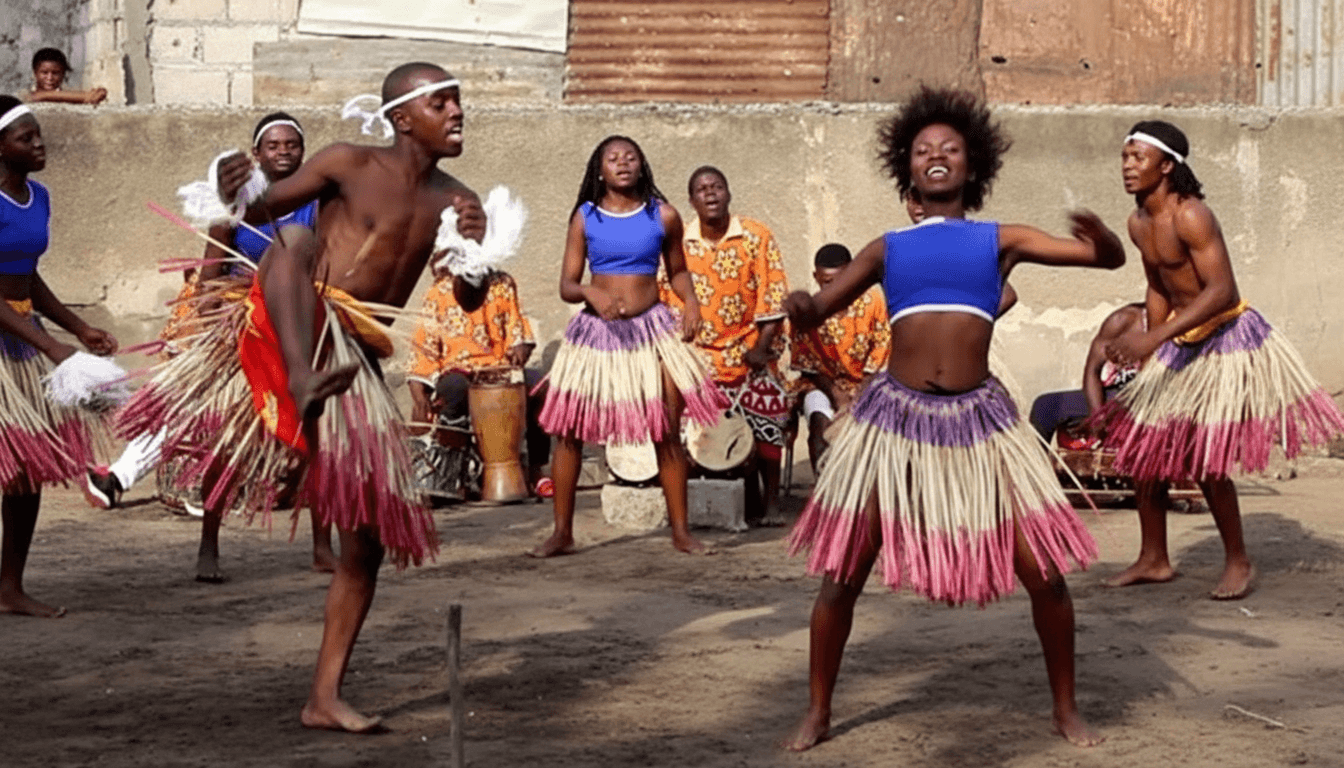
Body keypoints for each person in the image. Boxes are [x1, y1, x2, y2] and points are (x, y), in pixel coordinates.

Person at [117, 63, 483, 732]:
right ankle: (297, 390)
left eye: (459, 101)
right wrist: (239, 187)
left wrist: (476, 254)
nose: (459, 111)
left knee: (365, 545)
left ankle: (324, 695)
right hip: (291, 328)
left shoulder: (454, 199)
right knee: (293, 237)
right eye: (443, 101)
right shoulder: (347, 161)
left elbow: (465, 298)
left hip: (356, 368)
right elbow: (258, 213)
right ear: (404, 116)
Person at [781, 86, 1126, 751]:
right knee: (842, 576)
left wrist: (1103, 238)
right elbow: (818, 312)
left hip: (981, 424)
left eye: (950, 148)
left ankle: (1065, 707)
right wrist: (799, 307)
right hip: (893, 424)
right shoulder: (887, 248)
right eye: (923, 150)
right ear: (906, 170)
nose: (936, 156)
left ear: (974, 166)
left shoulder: (1002, 239)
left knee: (1045, 574)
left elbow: (1103, 260)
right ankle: (818, 711)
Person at [1093, 121, 1344, 599]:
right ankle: (1153, 558)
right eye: (1124, 156)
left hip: (1225, 335)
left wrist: (1155, 339)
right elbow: (1157, 285)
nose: (1127, 166)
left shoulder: (1192, 216)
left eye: (1138, 157)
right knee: (1146, 447)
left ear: (1166, 166)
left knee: (1204, 457)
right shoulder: (1138, 221)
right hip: (1177, 338)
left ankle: (1238, 561)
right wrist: (1152, 345)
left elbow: (1223, 290)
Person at [87, 111, 335, 577]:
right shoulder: (232, 207)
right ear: (257, 153)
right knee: (229, 440)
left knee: (318, 437)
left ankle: (323, 547)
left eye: (292, 145)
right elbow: (209, 277)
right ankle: (209, 545)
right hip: (243, 323)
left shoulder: (320, 203)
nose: (284, 153)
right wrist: (209, 328)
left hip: (301, 321)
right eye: (273, 146)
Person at [532, 135, 727, 557]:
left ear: (642, 165)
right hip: (595, 336)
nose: (622, 164)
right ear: (599, 169)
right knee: (568, 432)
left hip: (651, 331)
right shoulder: (585, 217)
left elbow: (678, 271)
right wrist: (590, 293)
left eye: (630, 157)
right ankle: (562, 532)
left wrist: (691, 302)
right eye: (612, 158)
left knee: (666, 428)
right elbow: (567, 284)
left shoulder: (665, 215)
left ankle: (680, 532)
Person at [0, 95, 118, 617]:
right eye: (26, 137)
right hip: (18, 337)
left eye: (38, 134)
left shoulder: (39, 196)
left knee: (26, 470)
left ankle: (10, 587)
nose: (39, 144)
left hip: (24, 333)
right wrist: (49, 345)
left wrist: (78, 327)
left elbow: (29, 275)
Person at [660, 165, 792, 525]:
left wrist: (762, 348)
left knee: (770, 408)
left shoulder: (756, 235)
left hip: (750, 350)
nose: (711, 193)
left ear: (729, 193)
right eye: (702, 189)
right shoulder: (678, 243)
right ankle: (687, 505)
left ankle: (772, 504)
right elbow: (665, 299)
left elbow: (774, 292)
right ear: (691, 201)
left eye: (717, 186)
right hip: (696, 358)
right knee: (674, 420)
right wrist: (680, 355)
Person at [406, 266, 550, 495]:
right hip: (457, 370)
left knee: (539, 387)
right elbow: (423, 351)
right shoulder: (438, 291)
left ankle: (536, 470)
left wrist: (521, 348)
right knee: (454, 390)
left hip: (499, 367)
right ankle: (454, 474)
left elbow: (518, 332)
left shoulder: (502, 283)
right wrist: (418, 394)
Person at [791, 243, 890, 475]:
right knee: (819, 420)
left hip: (866, 385)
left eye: (841, 280)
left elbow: (879, 358)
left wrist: (857, 397)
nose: (835, 288)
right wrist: (836, 395)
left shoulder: (873, 303)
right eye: (827, 282)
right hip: (821, 385)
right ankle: (823, 490)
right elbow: (808, 367)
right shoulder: (808, 310)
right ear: (816, 277)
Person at [1028, 302, 1144, 443]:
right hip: (1119, 395)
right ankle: (1036, 463)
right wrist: (1098, 417)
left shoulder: (1174, 325)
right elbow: (1092, 371)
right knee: (1045, 406)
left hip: (1157, 401)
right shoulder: (1124, 320)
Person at [25, 48, 107, 106]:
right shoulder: (25, 95)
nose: (50, 78)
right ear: (35, 73)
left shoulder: (70, 95)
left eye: (55, 73)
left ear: (63, 74)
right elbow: (39, 96)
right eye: (44, 73)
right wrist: (86, 96)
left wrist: (97, 93)